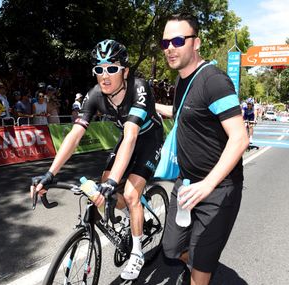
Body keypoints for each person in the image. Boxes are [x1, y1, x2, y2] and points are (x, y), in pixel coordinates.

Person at [30, 39, 163, 280]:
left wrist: (115, 182)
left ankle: (137, 253)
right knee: (105, 187)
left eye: (111, 68)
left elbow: (132, 135)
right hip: (127, 139)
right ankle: (133, 212)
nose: (104, 75)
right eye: (99, 69)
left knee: (130, 194)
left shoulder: (139, 88)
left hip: (148, 138)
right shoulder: (94, 95)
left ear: (125, 71)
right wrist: (50, 174)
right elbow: (75, 135)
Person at [156, 13, 249, 285]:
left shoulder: (214, 81)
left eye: (177, 40)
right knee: (171, 249)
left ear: (196, 43)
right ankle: (200, 259)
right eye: (165, 43)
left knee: (199, 275)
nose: (170, 48)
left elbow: (240, 138)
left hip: (217, 189)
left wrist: (207, 185)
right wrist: (153, 108)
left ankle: (201, 265)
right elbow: (186, 112)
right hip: (185, 186)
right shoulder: (182, 81)